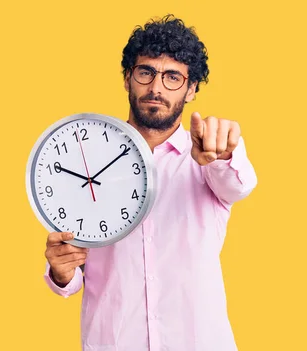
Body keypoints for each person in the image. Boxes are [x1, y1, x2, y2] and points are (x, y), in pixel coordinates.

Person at [43, 14, 257, 351]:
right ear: (128, 79)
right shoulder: (86, 161)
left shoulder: (209, 152)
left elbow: (237, 187)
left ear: (191, 90)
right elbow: (70, 266)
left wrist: (223, 155)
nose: (156, 88)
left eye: (173, 77)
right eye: (146, 72)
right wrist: (61, 272)